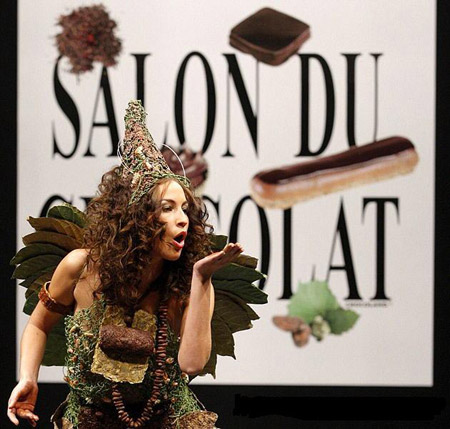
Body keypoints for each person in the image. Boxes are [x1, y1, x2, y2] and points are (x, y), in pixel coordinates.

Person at [7, 100, 247, 428]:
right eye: (168, 208)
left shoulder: (187, 287)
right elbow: (38, 325)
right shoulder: (82, 268)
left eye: (185, 209)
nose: (183, 219)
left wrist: (202, 278)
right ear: (136, 218)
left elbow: (191, 364)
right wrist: (28, 377)